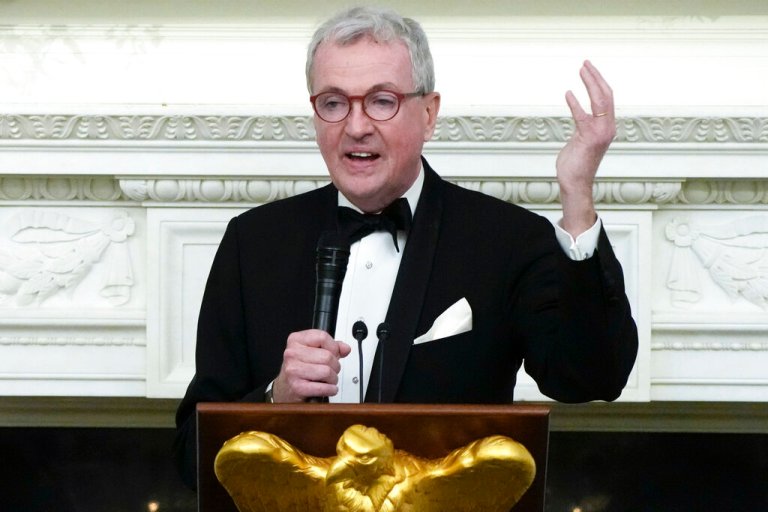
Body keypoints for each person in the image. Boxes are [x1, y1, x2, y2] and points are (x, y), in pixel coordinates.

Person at [173, 6, 638, 489]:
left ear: (429, 113)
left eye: (381, 101)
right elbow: (192, 456)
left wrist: (578, 195)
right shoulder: (254, 242)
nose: (355, 126)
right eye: (333, 103)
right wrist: (274, 399)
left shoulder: (507, 240)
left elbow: (592, 378)